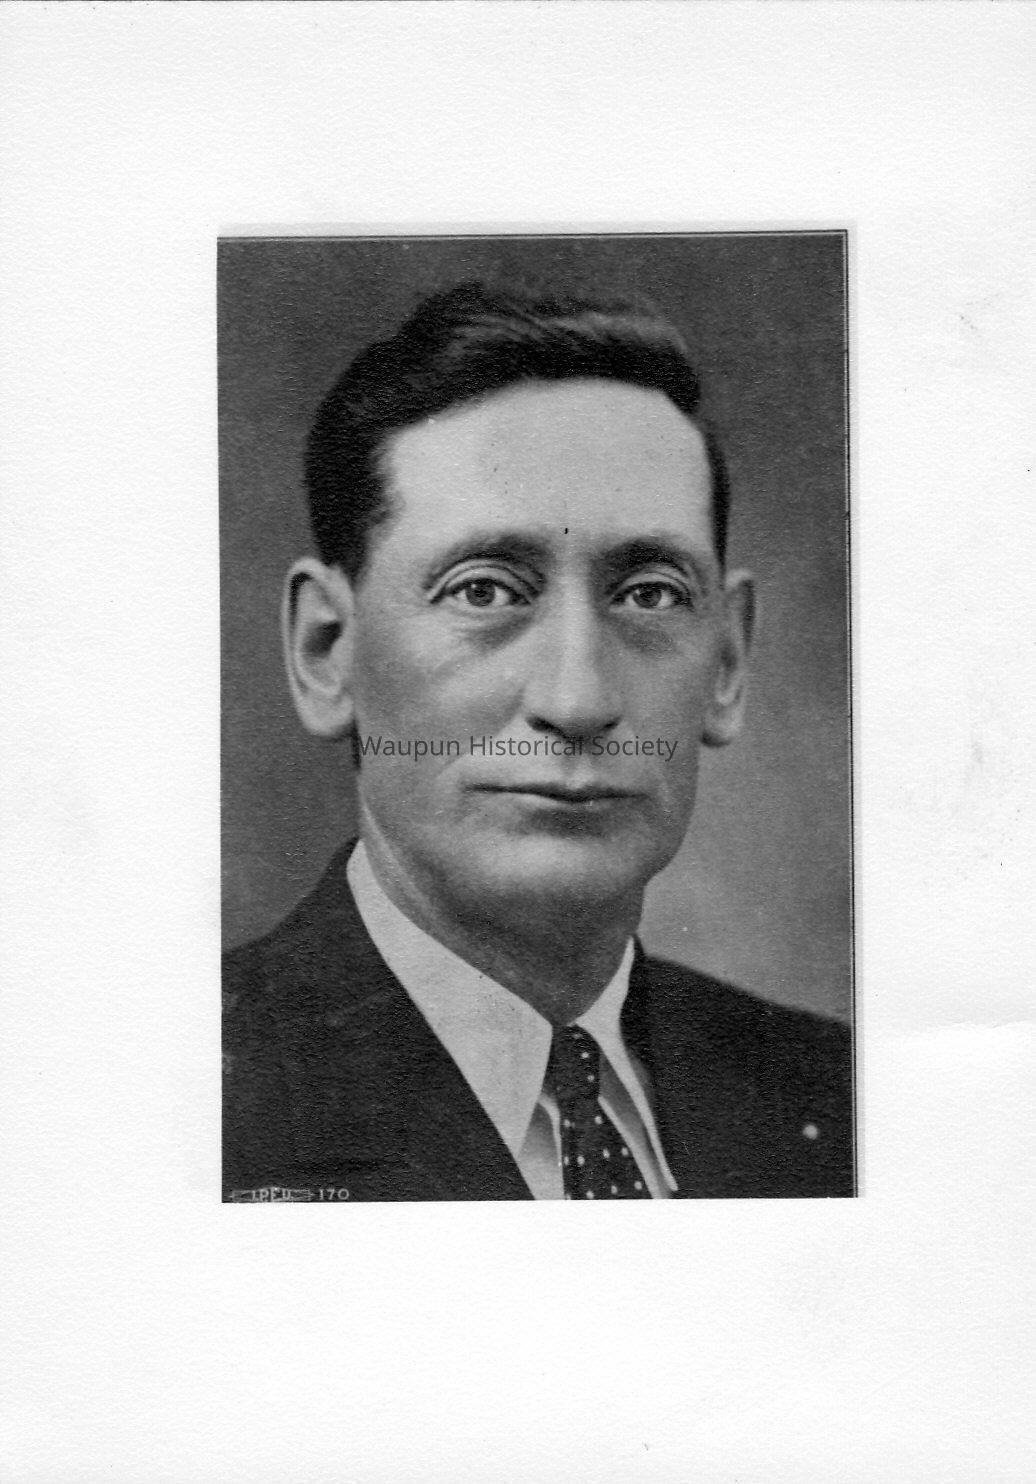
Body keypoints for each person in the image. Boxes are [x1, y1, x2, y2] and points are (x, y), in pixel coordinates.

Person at [222, 280, 854, 1202]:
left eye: (649, 594)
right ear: (327, 651)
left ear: (728, 661)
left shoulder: (841, 1100)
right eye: (483, 590)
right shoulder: (175, 1103)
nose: (578, 699)